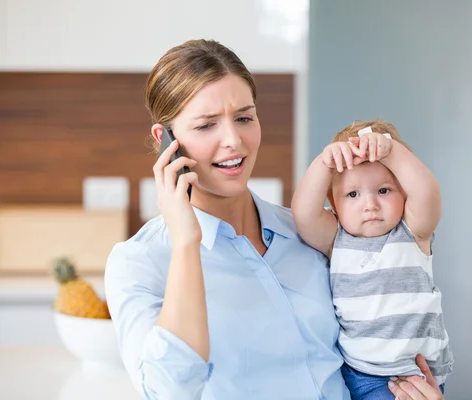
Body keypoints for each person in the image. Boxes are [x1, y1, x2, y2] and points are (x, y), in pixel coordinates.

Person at [104, 39, 446, 400]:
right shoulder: (140, 263)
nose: (233, 141)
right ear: (166, 140)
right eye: (206, 126)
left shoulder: (312, 233)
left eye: (244, 118)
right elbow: (168, 391)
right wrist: (187, 242)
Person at [291, 119, 454, 400]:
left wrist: (391, 151)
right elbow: (303, 214)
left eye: (383, 190)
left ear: (404, 191)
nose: (370, 205)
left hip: (413, 375)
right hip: (359, 372)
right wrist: (323, 164)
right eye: (352, 194)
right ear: (333, 201)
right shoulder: (337, 238)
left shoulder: (413, 231)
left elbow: (426, 191)